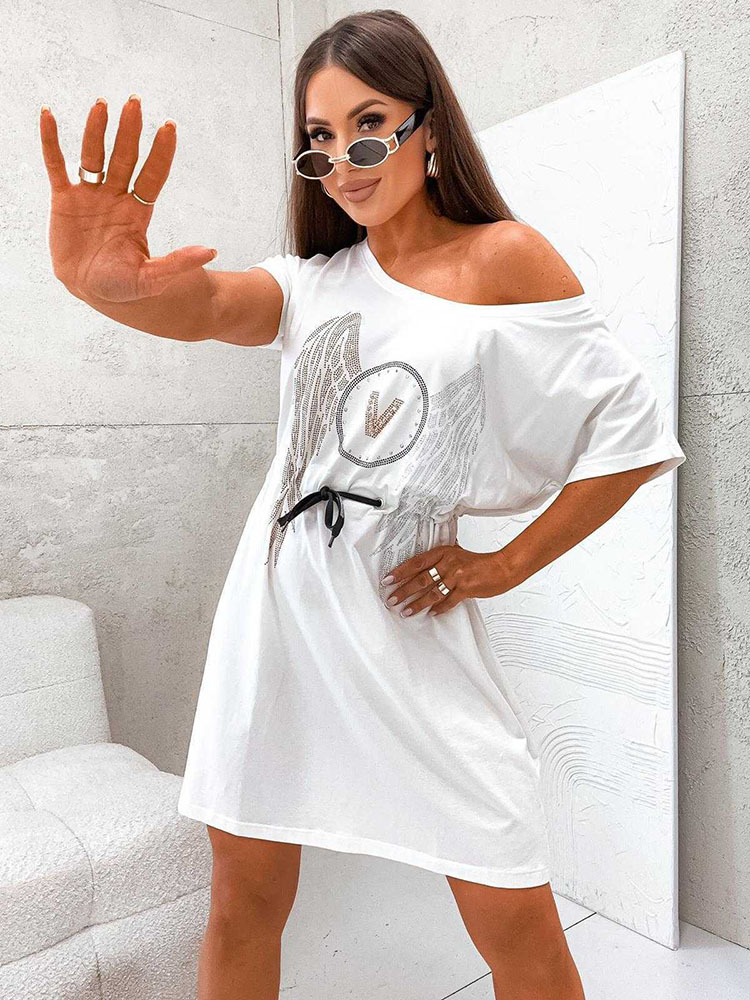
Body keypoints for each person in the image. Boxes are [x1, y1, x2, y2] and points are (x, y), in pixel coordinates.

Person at [40, 10, 686, 1000]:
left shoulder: (505, 260)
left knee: (516, 917)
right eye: (321, 138)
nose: (343, 160)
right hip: (275, 638)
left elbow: (631, 436)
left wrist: (503, 564)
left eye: (369, 125)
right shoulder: (311, 284)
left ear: (430, 128)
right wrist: (108, 289)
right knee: (241, 901)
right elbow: (208, 304)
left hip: (410, 644)